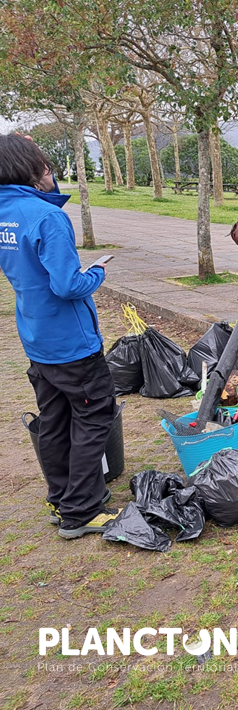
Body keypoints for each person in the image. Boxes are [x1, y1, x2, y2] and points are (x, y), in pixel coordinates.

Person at [0, 134, 119, 539]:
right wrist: (97, 272)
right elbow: (68, 285)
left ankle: (61, 498)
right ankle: (81, 511)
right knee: (94, 416)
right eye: (47, 165)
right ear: (32, 170)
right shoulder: (46, 216)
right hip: (71, 341)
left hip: (36, 336)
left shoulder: (6, 214)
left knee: (53, 420)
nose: (51, 172)